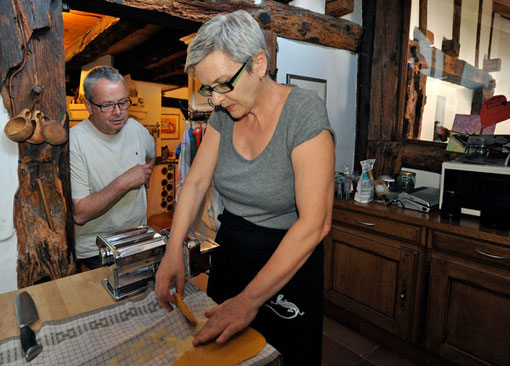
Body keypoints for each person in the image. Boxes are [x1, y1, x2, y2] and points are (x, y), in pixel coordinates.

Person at [155, 10, 335, 365]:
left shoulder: (304, 113)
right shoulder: (224, 115)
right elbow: (195, 182)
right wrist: (173, 248)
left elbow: (315, 223)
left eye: (223, 83)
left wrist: (249, 300)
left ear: (258, 63)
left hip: (288, 256)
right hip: (234, 247)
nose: (216, 100)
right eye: (209, 89)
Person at [70, 65, 155, 270]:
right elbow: (80, 213)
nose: (118, 113)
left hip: (138, 238)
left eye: (122, 103)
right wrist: (125, 182)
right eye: (107, 105)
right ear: (88, 105)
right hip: (96, 249)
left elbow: (152, 153)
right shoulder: (75, 140)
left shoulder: (136, 128)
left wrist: (146, 174)